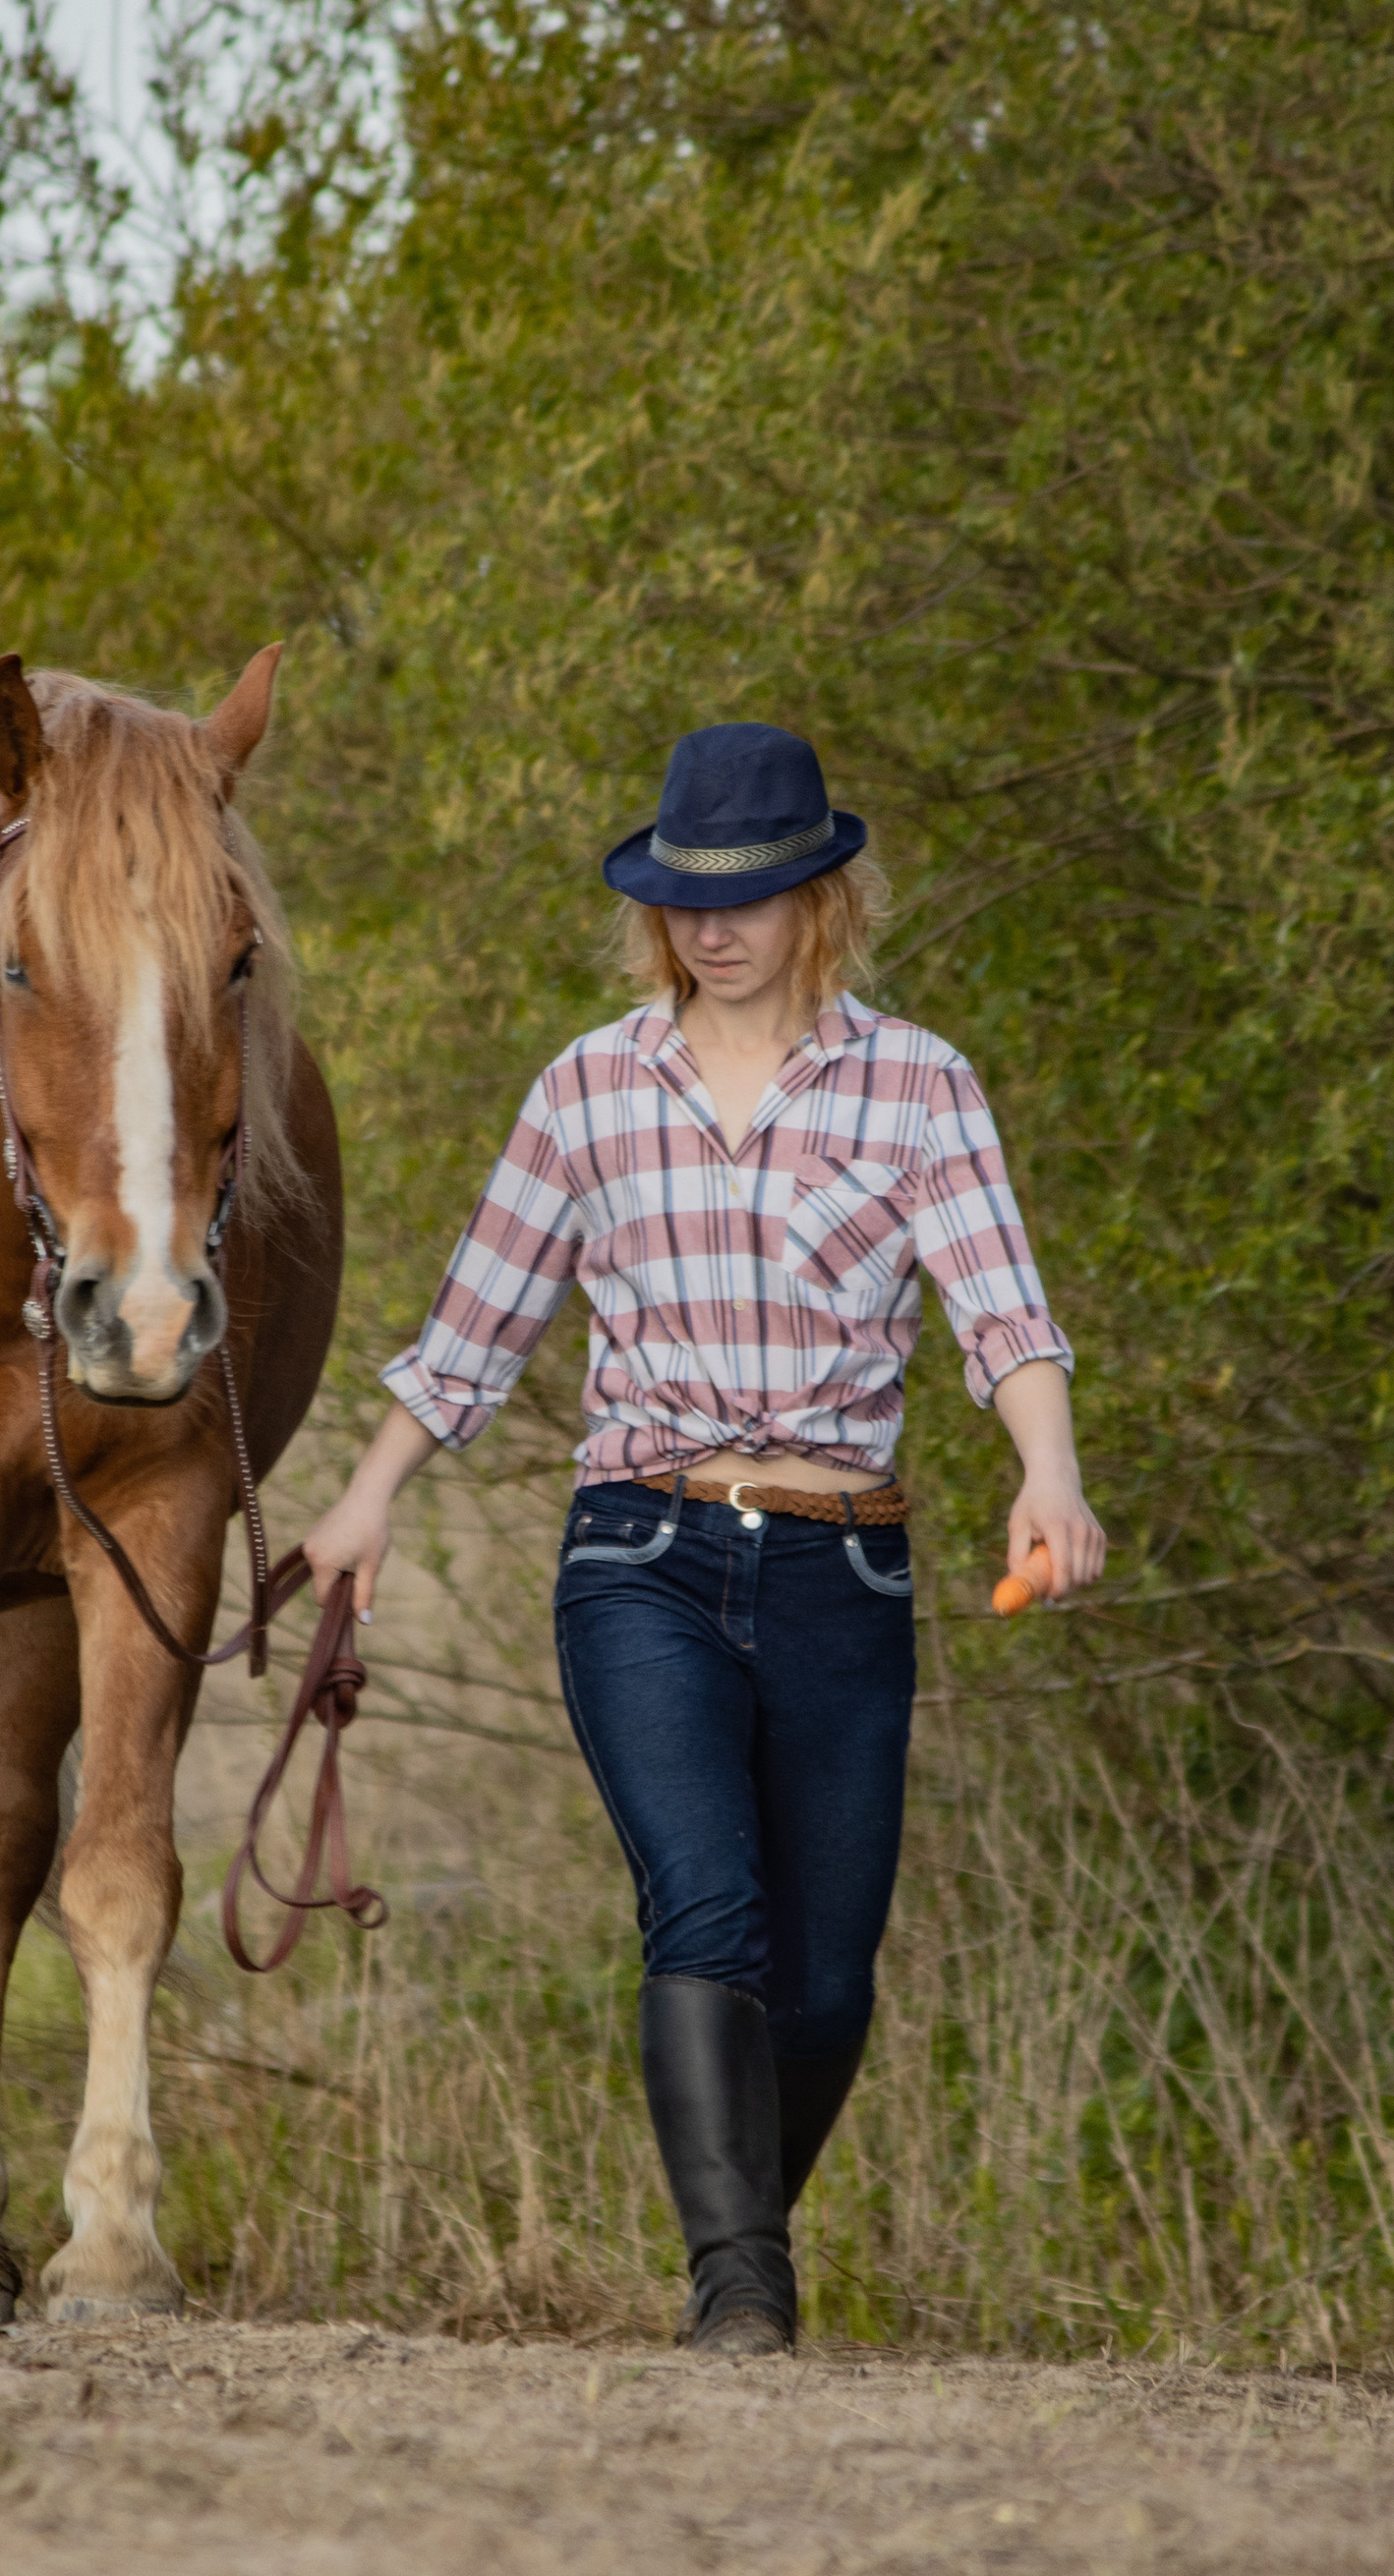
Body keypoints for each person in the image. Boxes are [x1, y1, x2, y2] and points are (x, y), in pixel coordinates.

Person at [302, 722, 1103, 2357]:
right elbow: (477, 1326)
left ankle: (737, 2239)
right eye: (684, 901)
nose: (712, 928)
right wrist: (370, 1491)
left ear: (827, 897)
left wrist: (1051, 1472)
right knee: (705, 1910)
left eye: (748, 896)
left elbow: (1003, 1309)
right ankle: (742, 2293)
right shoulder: (588, 1087)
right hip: (639, 1553)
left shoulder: (921, 1084)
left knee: (822, 1980)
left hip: (843, 1563)